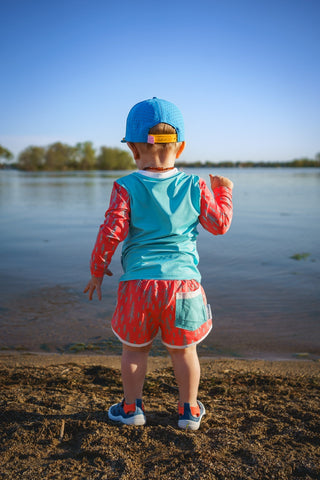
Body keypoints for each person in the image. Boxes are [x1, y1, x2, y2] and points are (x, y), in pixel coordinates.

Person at [84, 97, 233, 430]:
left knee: (135, 351)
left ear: (133, 151)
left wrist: (97, 271)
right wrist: (222, 192)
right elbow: (219, 225)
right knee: (184, 352)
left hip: (137, 285)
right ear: (180, 148)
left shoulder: (125, 187)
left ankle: (131, 409)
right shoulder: (194, 186)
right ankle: (189, 411)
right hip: (183, 285)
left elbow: (110, 232)